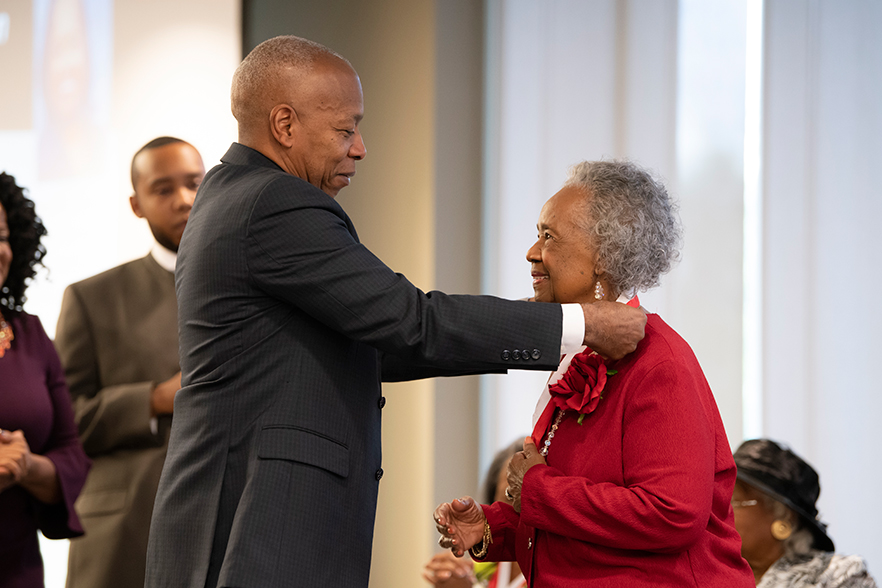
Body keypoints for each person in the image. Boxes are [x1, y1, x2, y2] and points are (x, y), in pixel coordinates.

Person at [144, 35, 647, 588]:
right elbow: (410, 323)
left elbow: (369, 341)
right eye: (346, 129)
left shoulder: (230, 195)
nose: (360, 147)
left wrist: (529, 326)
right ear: (284, 125)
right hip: (261, 524)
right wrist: (579, 324)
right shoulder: (275, 202)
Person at [433, 160, 755, 587]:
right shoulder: (586, 356)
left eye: (548, 236)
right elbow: (582, 518)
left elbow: (673, 514)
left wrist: (538, 488)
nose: (532, 252)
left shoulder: (660, 363)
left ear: (603, 256)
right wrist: (492, 529)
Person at [54, 137, 204, 588]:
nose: (184, 201)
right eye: (163, 190)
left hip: (226, 524)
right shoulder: (92, 298)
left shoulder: (253, 289)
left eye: (195, 184)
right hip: (123, 535)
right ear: (136, 205)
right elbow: (65, 421)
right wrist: (154, 400)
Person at [0, 172, 91, 587]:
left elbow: (71, 454)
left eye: (1, 235)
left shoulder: (31, 334)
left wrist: (24, 465)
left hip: (18, 569)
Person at [732, 439, 877, 587]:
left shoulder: (838, 576)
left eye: (734, 501)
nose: (719, 512)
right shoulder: (717, 574)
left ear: (783, 517)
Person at [423, 439, 527, 588]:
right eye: (509, 496)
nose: (520, 510)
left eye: (531, 498)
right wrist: (457, 575)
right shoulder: (481, 564)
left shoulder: (560, 573)